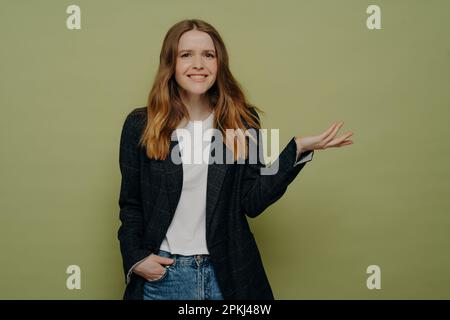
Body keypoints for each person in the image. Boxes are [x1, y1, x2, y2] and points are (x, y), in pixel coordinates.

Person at [117, 19, 353, 300]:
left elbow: (251, 201)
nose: (198, 64)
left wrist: (296, 151)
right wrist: (138, 260)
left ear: (219, 64)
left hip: (227, 274)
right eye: (186, 55)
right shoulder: (141, 124)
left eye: (208, 55)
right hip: (165, 277)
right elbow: (131, 205)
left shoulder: (241, 121)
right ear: (171, 64)